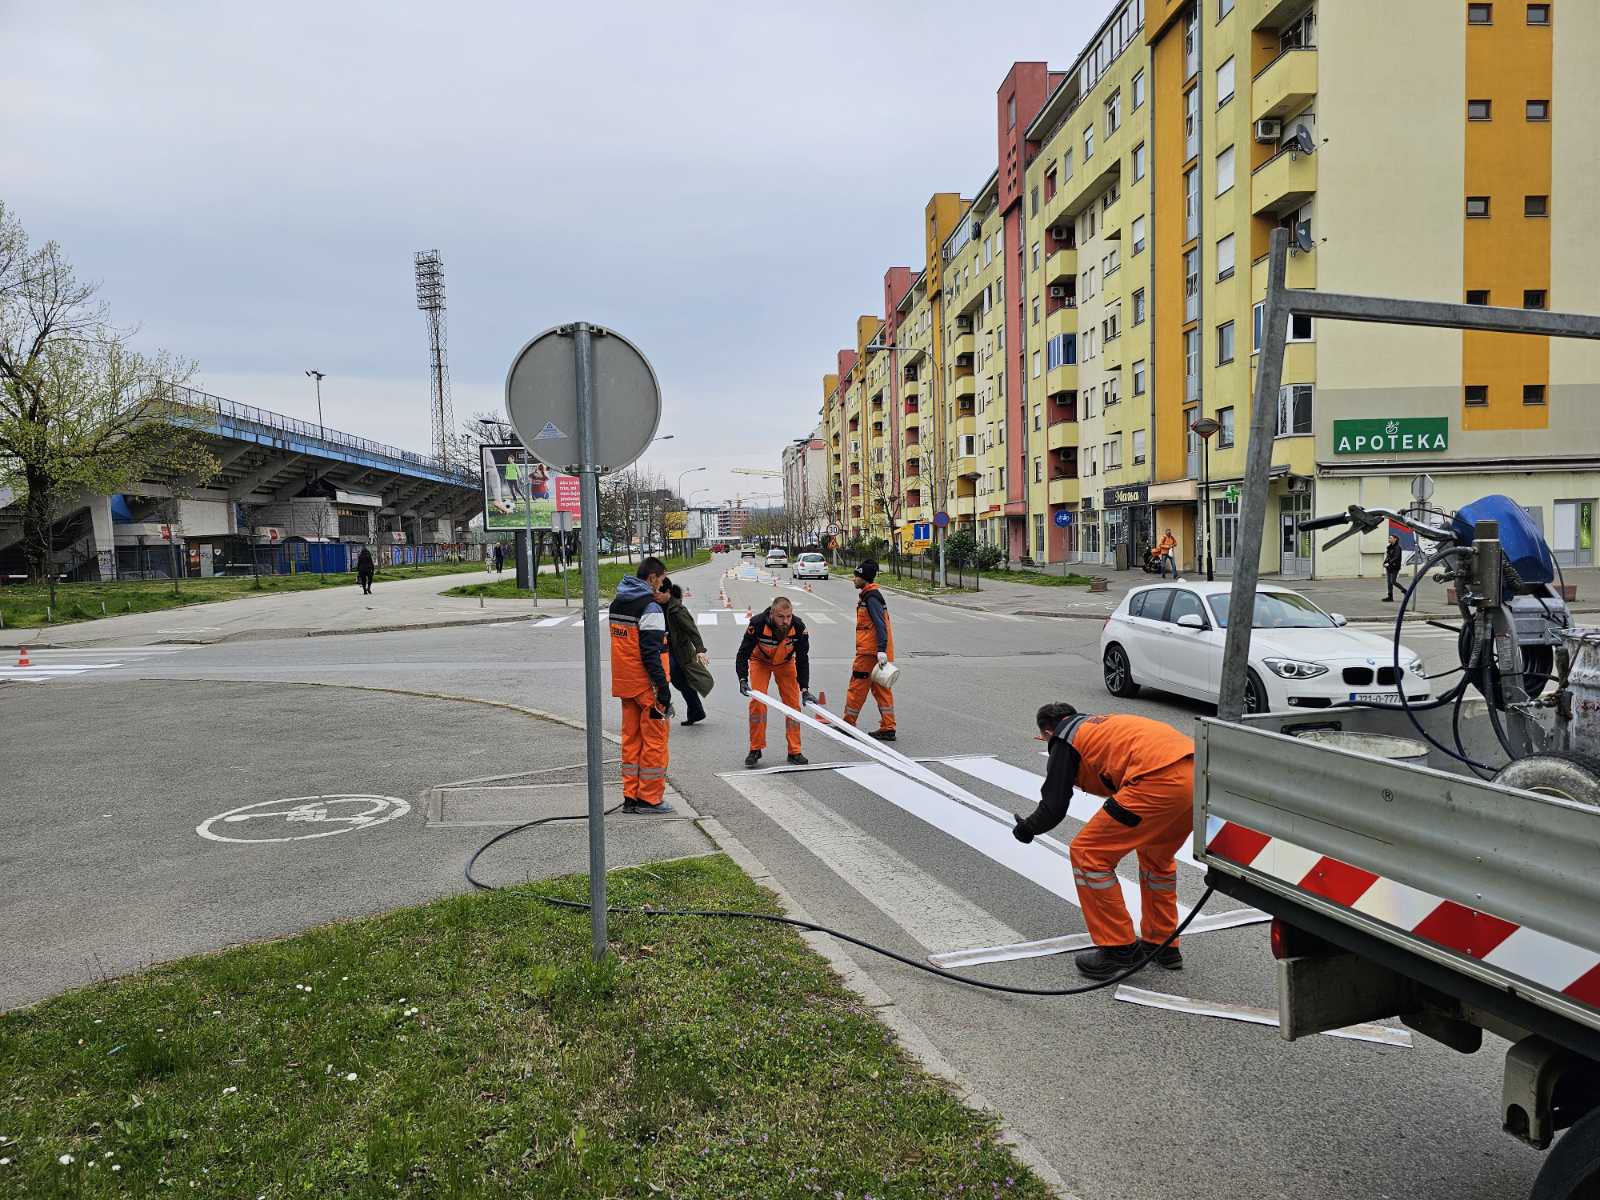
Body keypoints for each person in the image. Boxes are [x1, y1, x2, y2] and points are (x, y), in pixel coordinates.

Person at [1012, 703, 1194, 979]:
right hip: (1197, 778)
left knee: (1089, 854)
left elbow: (1054, 806)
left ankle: (1118, 948)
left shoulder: (1065, 739)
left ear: (1048, 731)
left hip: (1155, 781)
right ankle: (1163, 944)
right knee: (1156, 858)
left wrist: (1027, 829)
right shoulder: (1098, 726)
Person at [608, 557, 675, 814]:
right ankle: (650, 798)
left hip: (625, 682)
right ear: (651, 578)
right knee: (655, 742)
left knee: (631, 741)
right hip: (648, 687)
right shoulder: (650, 608)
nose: (662, 584)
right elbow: (651, 652)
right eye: (661, 579)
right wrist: (663, 688)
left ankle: (630, 797)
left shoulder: (618, 602)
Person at [736, 595, 812, 767]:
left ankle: (795, 751)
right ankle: (755, 749)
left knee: (793, 705)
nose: (785, 621)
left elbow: (802, 659)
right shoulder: (757, 624)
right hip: (760, 662)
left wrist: (805, 689)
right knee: (758, 703)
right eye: (781, 617)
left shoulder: (799, 627)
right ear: (772, 613)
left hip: (785, 663)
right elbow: (743, 653)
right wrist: (742, 679)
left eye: (789, 616)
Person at [844, 559, 895, 741]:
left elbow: (880, 625)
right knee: (882, 689)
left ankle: (848, 723)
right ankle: (888, 727)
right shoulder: (870, 595)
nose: (853, 579)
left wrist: (880, 650)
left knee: (857, 686)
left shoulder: (871, 597)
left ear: (864, 578)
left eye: (856, 576)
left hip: (870, 653)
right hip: (877, 652)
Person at [663, 580, 710, 727]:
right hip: (664, 649)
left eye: (658, 592)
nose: (655, 595)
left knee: (673, 679)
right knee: (680, 682)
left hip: (678, 651)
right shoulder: (656, 604)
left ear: (668, 593)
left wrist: (700, 650)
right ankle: (696, 712)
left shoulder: (677, 609)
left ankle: (664, 710)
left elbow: (692, 630)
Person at [1383, 533, 1403, 602]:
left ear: (1395, 539)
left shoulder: (1398, 548)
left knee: (1393, 581)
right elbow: (1388, 556)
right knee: (1389, 582)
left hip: (1395, 566)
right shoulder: (1389, 547)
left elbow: (1396, 557)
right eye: (1389, 538)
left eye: (1391, 538)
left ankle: (1404, 590)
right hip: (1389, 567)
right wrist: (1385, 562)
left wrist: (1389, 562)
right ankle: (1390, 597)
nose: (1389, 539)